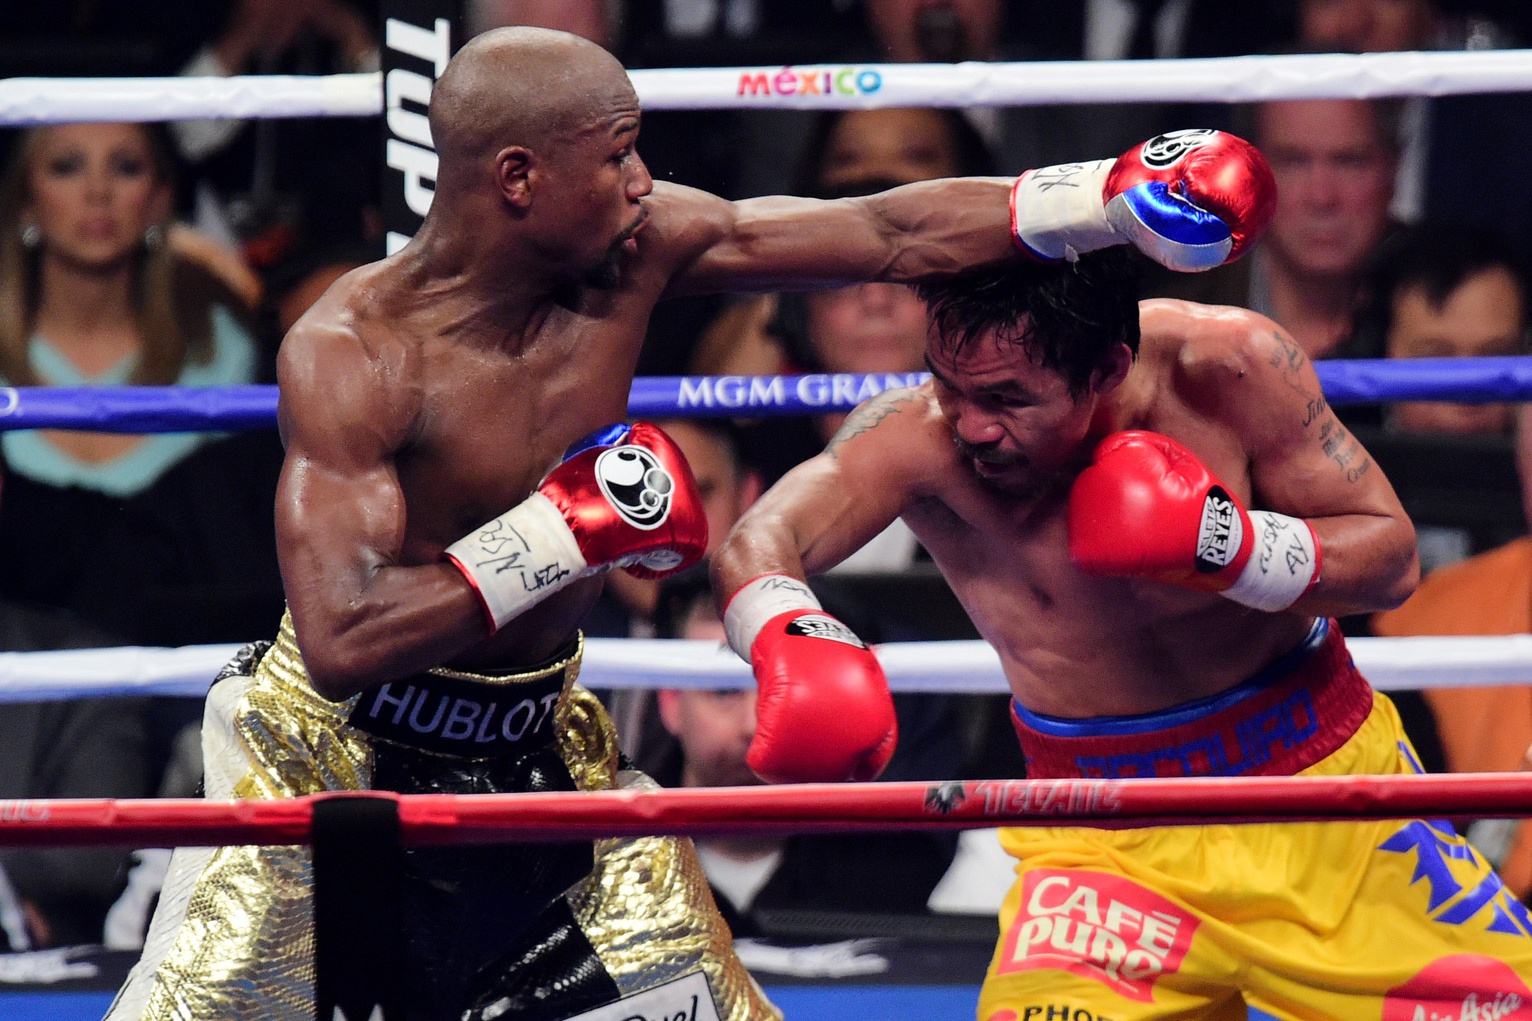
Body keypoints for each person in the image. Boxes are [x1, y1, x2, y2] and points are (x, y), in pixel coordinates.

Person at [108, 26, 1273, 1021]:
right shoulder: (353, 351)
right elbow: (341, 636)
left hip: (535, 752)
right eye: (614, 156)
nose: (640, 180)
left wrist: (1099, 195)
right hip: (327, 765)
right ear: (517, 178)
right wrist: (561, 534)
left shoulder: (640, 247)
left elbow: (883, 234)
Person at [711, 247, 1532, 1011]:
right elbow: (762, 534)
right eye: (948, 384)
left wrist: (1232, 546)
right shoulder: (915, 436)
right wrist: (785, 627)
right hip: (1103, 846)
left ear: (1107, 367)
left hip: (1321, 800)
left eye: (1005, 397)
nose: (969, 426)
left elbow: (1391, 559)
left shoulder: (1228, 366)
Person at [647, 574, 954, 935]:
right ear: (670, 702)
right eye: (724, 689)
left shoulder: (900, 866)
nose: (754, 724)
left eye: (784, 690)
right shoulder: (606, 854)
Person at [1150, 97, 1399, 361]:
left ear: (1394, 167)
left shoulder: (1438, 320)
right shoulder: (1168, 329)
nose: (1321, 197)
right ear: (1246, 175)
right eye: (1292, 162)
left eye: (1350, 162)